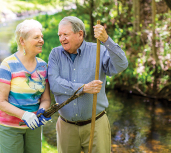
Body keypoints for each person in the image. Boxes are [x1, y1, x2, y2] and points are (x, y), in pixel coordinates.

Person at [48, 16, 128, 153]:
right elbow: (54, 84)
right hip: (66, 126)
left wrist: (106, 40)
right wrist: (83, 88)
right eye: (60, 35)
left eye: (65, 34)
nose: (61, 39)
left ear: (80, 34)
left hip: (96, 125)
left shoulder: (99, 50)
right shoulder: (55, 54)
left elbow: (121, 65)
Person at [0, 19, 51, 153]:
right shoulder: (8, 65)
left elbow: (46, 99)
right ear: (22, 41)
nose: (41, 40)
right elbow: (0, 101)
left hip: (34, 126)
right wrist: (24, 115)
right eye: (36, 37)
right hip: (9, 127)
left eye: (41, 37)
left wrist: (41, 110)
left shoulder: (43, 66)